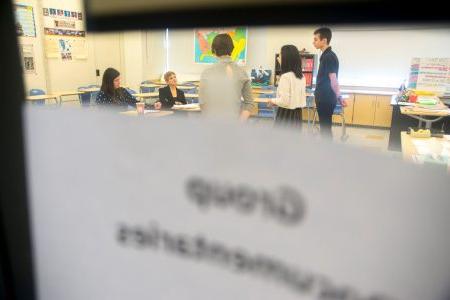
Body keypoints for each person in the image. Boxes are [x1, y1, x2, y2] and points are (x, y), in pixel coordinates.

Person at [199, 33, 255, 121]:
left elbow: (202, 102)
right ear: (232, 49)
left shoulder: (207, 72)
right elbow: (249, 103)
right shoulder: (242, 72)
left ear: (214, 50)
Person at [312, 27, 347, 138]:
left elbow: (333, 80)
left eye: (316, 39)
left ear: (324, 40)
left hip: (325, 98)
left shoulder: (329, 57)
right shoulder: (325, 56)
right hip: (323, 97)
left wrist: (340, 97)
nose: (313, 42)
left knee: (325, 129)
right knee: (325, 128)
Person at [268, 45, 306, 127]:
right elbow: (294, 99)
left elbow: (284, 101)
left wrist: (272, 101)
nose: (278, 58)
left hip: (286, 115)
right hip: (297, 115)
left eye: (280, 55)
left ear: (286, 58)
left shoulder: (286, 77)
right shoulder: (302, 76)